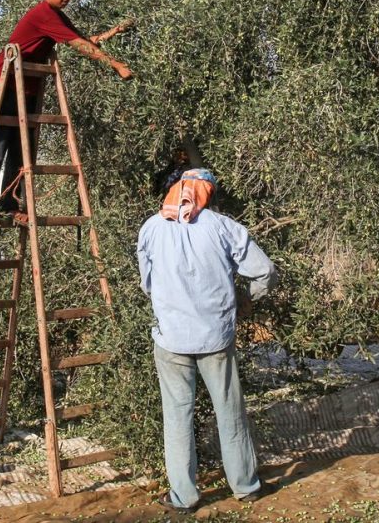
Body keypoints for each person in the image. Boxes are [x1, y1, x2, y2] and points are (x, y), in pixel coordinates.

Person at [136, 168, 279, 513]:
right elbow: (265, 271)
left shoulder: (151, 228)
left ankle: (184, 497)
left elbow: (147, 284)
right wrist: (247, 298)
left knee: (176, 417)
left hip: (171, 341)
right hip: (216, 339)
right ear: (207, 194)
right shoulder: (223, 226)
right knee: (230, 413)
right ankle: (246, 487)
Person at [0, 0, 134, 219]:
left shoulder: (57, 16)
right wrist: (116, 65)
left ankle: (10, 206)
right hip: (6, 85)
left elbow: (82, 39)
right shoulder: (43, 14)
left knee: (20, 149)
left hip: (28, 89)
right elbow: (79, 45)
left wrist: (110, 33)